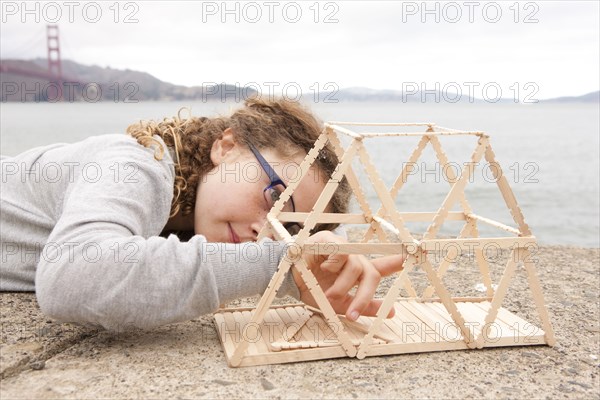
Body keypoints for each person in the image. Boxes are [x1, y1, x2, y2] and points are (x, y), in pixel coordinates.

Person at [0, 97, 404, 331]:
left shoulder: (185, 218)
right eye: (274, 196)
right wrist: (280, 265)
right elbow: (73, 276)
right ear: (226, 147)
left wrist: (314, 266)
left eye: (291, 228)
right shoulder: (135, 162)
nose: (264, 231)